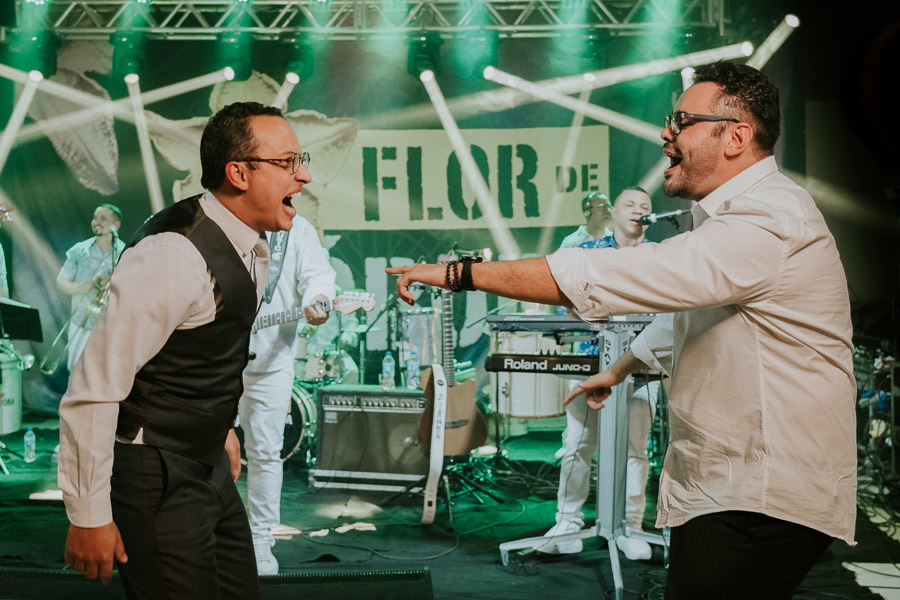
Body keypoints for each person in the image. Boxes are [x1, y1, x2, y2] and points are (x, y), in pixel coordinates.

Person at [388, 61, 855, 599]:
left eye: (681, 120)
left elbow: (616, 274)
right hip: (737, 488)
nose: (665, 133)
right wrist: (616, 371)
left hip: (756, 495)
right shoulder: (734, 220)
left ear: (737, 136)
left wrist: (458, 273)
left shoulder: (767, 218)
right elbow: (687, 318)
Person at [58, 101, 311, 600]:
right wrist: (87, 515)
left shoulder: (250, 241)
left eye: (300, 161)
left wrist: (221, 429)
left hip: (206, 460)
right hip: (154, 472)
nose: (302, 176)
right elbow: (95, 387)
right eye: (287, 163)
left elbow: (202, 354)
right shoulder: (173, 253)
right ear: (238, 173)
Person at [540, 187, 661, 561]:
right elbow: (566, 305)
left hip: (641, 366)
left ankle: (631, 525)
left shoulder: (659, 258)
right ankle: (568, 521)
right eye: (630, 205)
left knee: (634, 451)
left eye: (645, 206)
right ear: (614, 213)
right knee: (577, 445)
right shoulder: (587, 253)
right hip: (593, 361)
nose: (638, 210)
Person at [241, 214, 335, 575]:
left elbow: (318, 274)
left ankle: (260, 539)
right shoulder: (217, 218)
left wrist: (320, 298)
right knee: (200, 448)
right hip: (210, 357)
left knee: (264, 451)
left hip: (270, 358)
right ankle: (198, 533)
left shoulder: (297, 229)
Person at [56, 204, 126, 370]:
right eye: (95, 217)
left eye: (103, 218)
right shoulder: (78, 250)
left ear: (115, 225)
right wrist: (80, 287)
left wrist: (113, 280)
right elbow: (61, 282)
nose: (96, 221)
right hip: (80, 322)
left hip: (110, 324)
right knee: (75, 371)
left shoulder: (125, 252)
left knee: (106, 372)